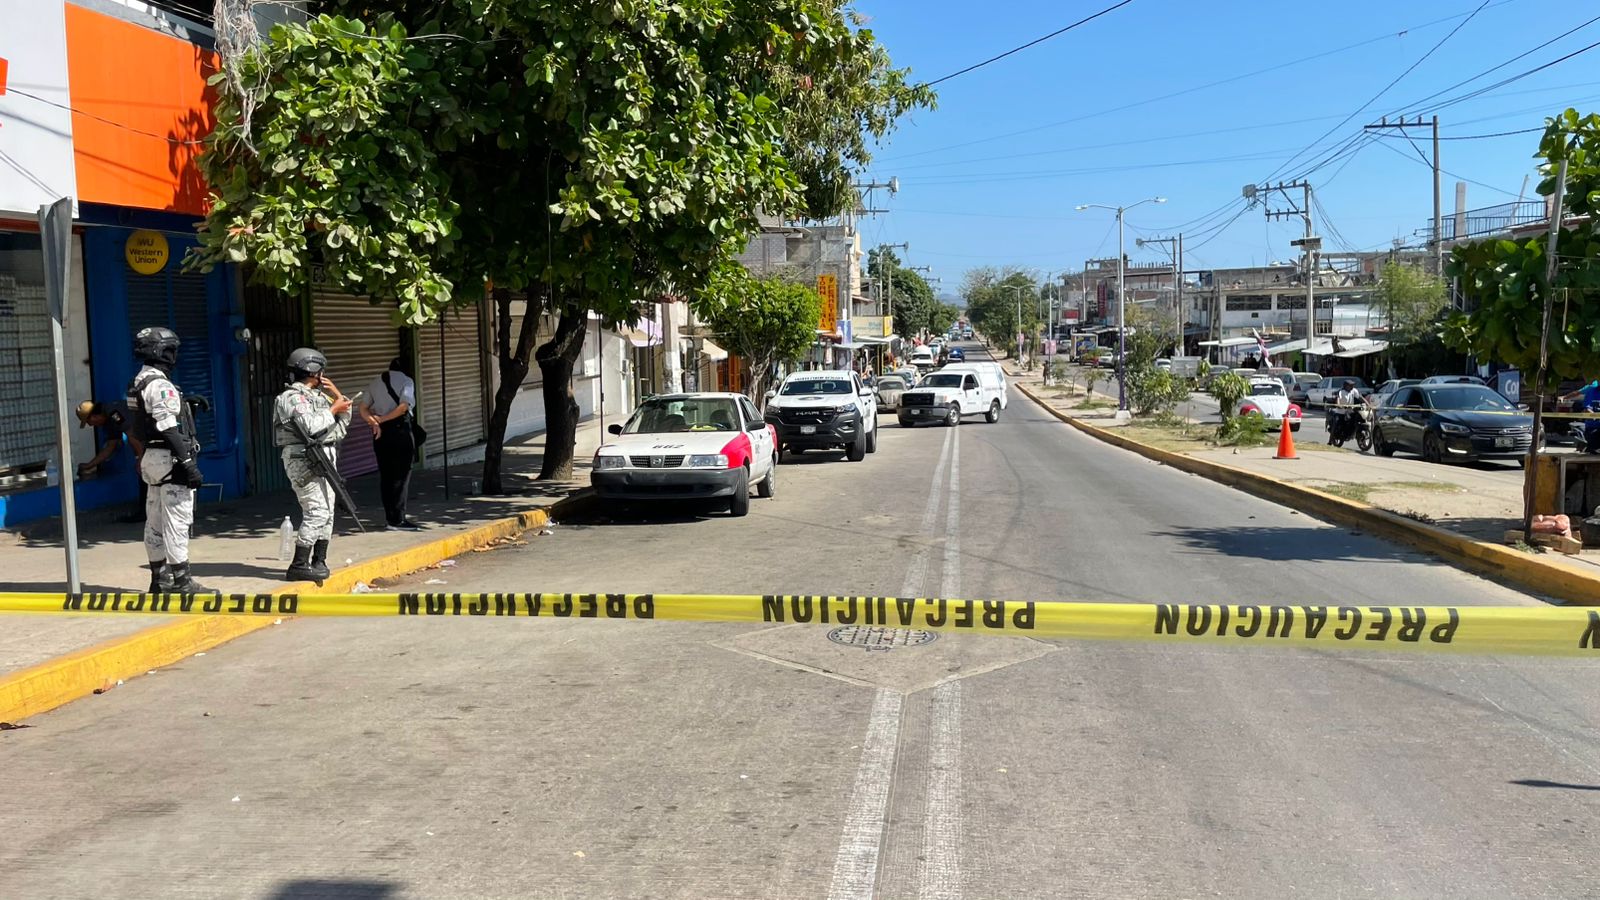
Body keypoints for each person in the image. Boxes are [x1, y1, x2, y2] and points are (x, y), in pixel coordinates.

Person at [125, 326, 209, 593]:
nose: (174, 355)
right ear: (161, 352)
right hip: (170, 460)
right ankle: (182, 581)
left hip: (152, 459)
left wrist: (187, 405)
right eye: (171, 350)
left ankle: (158, 578)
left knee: (155, 521)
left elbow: (142, 425)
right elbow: (168, 428)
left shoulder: (138, 382)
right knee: (177, 520)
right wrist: (187, 463)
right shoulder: (161, 385)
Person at [274, 348, 353, 583]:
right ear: (313, 370)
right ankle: (299, 564)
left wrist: (338, 399)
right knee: (316, 511)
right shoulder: (291, 398)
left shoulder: (318, 397)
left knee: (328, 511)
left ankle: (319, 560)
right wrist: (333, 409)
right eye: (321, 370)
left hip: (325, 457)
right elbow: (310, 426)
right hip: (303, 460)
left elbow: (338, 428)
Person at [360, 357, 422, 530]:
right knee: (401, 476)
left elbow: (362, 408)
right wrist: (383, 419)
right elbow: (404, 406)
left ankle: (390, 517)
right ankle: (398, 520)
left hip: (379, 433)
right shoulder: (407, 381)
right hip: (399, 431)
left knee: (386, 476)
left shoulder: (376, 381)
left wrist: (374, 422)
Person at [75, 399, 147, 523]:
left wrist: (141, 459)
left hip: (150, 438)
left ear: (95, 416)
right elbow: (110, 447)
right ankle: (144, 511)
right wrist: (89, 465)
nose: (91, 425)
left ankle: (144, 513)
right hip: (143, 444)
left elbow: (132, 435)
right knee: (144, 475)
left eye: (89, 422)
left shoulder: (114, 413)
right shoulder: (109, 421)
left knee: (145, 474)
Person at [1329, 379, 1363, 443]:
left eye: (1352, 385)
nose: (1352, 386)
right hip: (1340, 412)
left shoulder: (1354, 391)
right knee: (1336, 422)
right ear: (1345, 386)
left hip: (1350, 411)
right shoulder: (1341, 392)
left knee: (1357, 418)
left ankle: (1354, 433)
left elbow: (1360, 397)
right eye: (1350, 385)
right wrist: (1339, 405)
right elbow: (1338, 400)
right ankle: (1330, 440)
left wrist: (1367, 404)